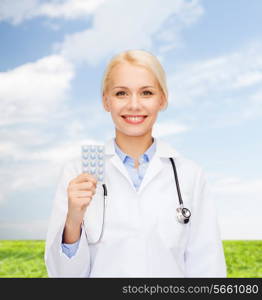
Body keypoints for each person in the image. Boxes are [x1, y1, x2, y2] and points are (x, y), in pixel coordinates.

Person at [44, 50, 227, 277]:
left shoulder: (189, 175)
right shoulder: (77, 172)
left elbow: (208, 267)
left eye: (146, 93)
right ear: (106, 101)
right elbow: (63, 276)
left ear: (162, 99)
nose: (134, 105)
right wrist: (73, 220)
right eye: (121, 93)